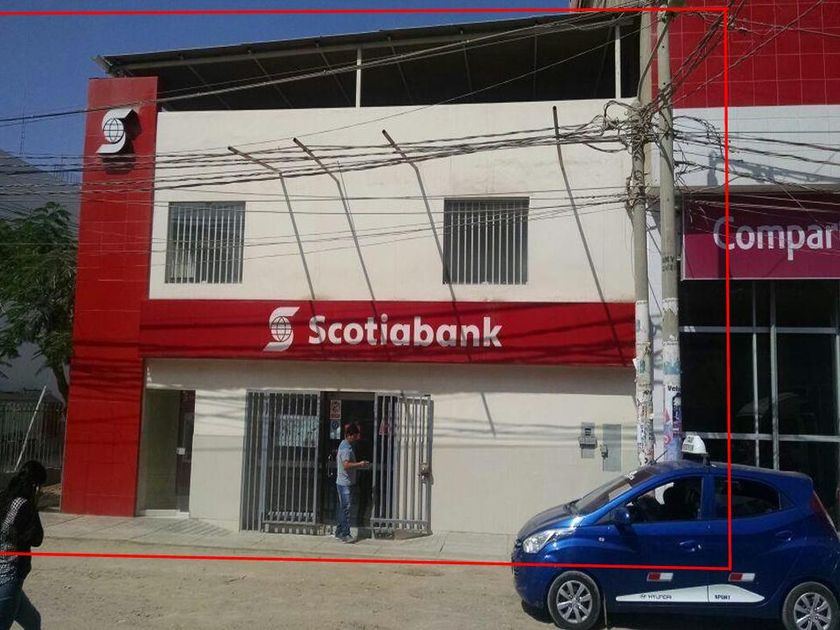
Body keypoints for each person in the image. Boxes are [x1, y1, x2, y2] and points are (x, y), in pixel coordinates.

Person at [0, 461, 46, 630]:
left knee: (33, 621)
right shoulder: (25, 506)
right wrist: (35, 505)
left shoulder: (4, 498)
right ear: (35, 486)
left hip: (8, 576)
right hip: (8, 577)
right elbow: (36, 538)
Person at [335, 423, 369, 543]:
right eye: (355, 436)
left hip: (343, 482)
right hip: (345, 483)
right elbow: (346, 465)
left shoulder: (344, 445)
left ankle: (339, 531)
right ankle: (345, 533)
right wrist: (360, 464)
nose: (356, 439)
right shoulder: (346, 448)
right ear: (350, 435)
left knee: (343, 508)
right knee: (346, 509)